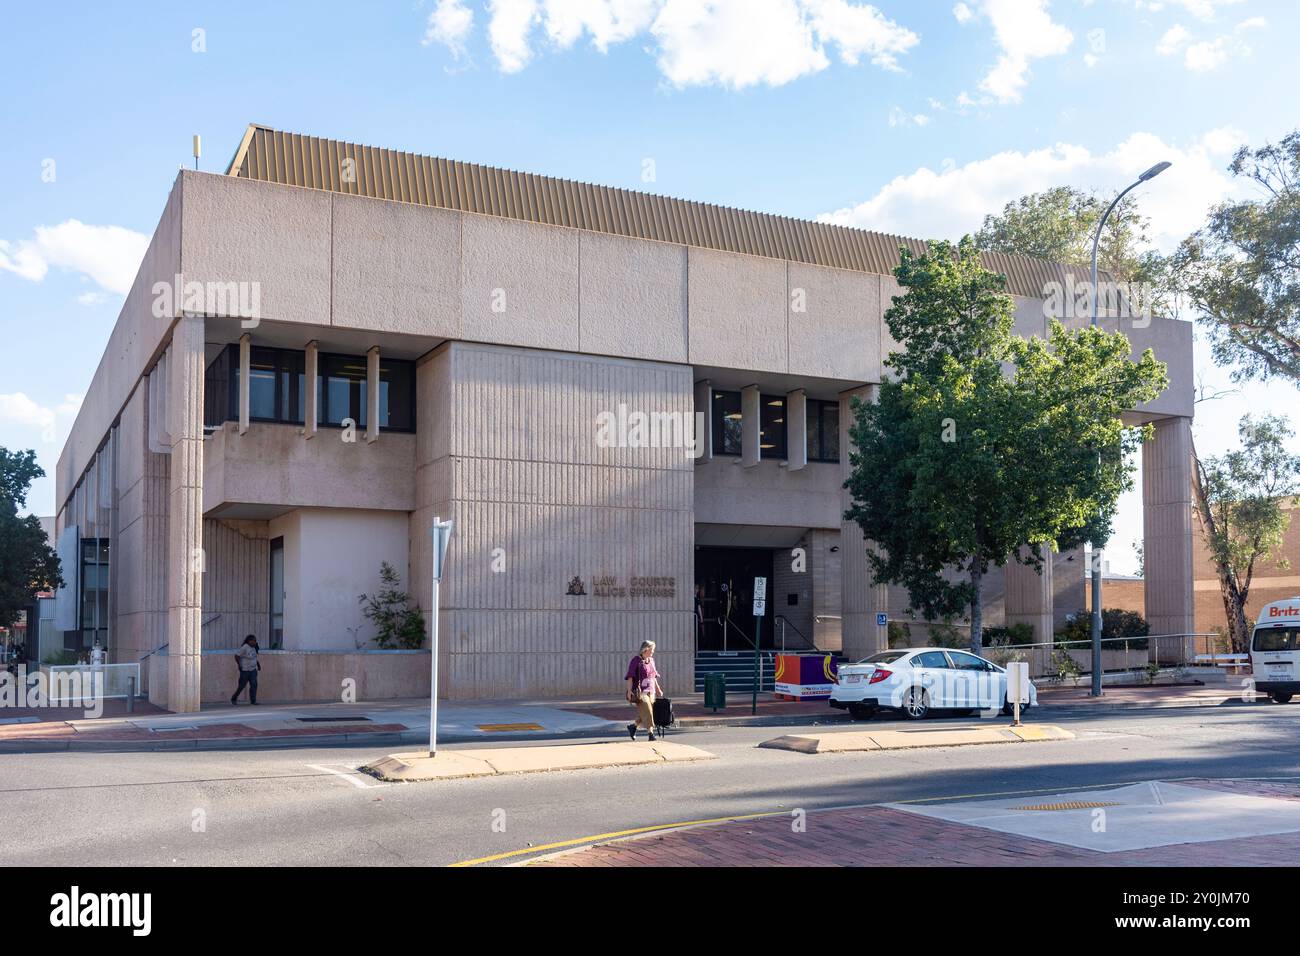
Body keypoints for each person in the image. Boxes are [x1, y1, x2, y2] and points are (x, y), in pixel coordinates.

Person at [624, 640, 663, 741]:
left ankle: (633, 727)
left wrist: (658, 689)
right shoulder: (636, 660)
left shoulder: (652, 661)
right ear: (645, 649)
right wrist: (629, 691)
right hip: (640, 692)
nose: (653, 652)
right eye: (652, 650)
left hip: (652, 691)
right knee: (648, 711)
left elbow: (653, 676)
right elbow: (630, 677)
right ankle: (651, 734)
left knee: (645, 712)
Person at [231, 635, 260, 705]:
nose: (255, 642)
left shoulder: (254, 647)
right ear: (249, 641)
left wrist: (258, 665)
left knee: (254, 684)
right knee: (241, 686)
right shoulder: (244, 648)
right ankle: (234, 698)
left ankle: (253, 701)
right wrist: (239, 665)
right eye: (253, 641)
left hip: (253, 670)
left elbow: (254, 657)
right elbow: (236, 656)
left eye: (255, 641)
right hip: (245, 670)